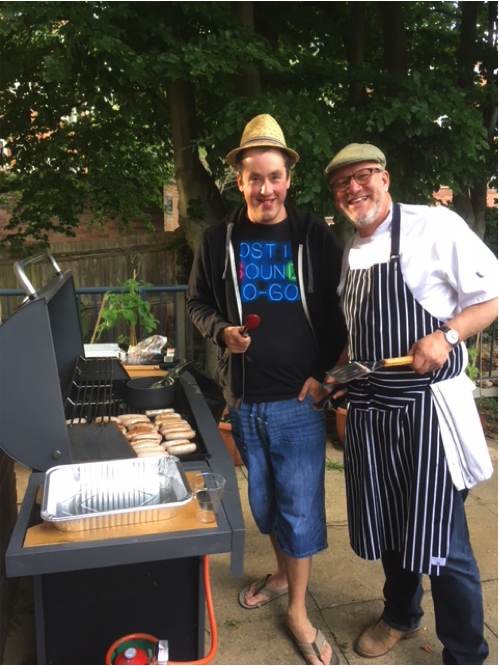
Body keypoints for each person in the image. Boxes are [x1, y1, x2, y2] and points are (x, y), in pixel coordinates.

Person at [322, 142, 498, 665]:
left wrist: (447, 335)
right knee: (388, 523)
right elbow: (361, 336)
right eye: (342, 184)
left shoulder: (434, 228)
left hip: (428, 415)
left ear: (386, 177)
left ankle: (466, 652)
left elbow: (492, 295)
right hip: (372, 414)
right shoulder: (351, 249)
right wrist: (334, 375)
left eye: (364, 176)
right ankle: (400, 615)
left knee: (443, 544)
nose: (354, 188)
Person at [187, 114, 347, 666]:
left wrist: (329, 380)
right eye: (255, 178)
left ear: (287, 179)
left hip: (300, 403)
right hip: (246, 402)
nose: (266, 189)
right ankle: (281, 574)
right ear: (239, 181)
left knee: (299, 509)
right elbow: (197, 303)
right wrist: (219, 330)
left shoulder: (313, 235)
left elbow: (343, 309)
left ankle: (298, 611)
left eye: (275, 177)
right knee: (265, 505)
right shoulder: (218, 240)